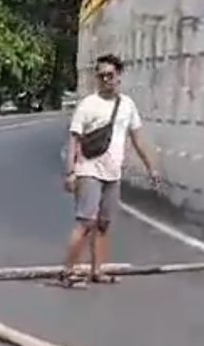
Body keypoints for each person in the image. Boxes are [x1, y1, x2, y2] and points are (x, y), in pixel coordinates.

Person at [61, 55, 158, 287]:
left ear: (118, 77)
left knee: (103, 225)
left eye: (110, 75)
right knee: (85, 223)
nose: (105, 79)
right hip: (89, 170)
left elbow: (138, 139)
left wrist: (151, 167)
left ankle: (97, 270)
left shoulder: (127, 105)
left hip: (113, 174)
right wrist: (70, 172)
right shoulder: (88, 104)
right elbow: (74, 140)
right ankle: (68, 271)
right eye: (101, 75)